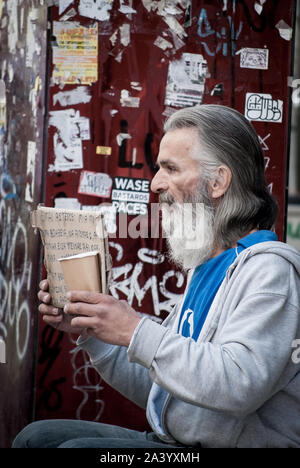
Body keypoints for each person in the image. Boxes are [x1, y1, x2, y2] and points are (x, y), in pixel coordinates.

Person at [13, 104, 300, 448]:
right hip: (173, 439)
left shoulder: (270, 272)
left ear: (218, 181)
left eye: (170, 169)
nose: (155, 183)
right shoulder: (210, 266)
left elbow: (238, 383)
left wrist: (133, 329)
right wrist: (94, 330)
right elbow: (166, 387)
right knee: (37, 437)